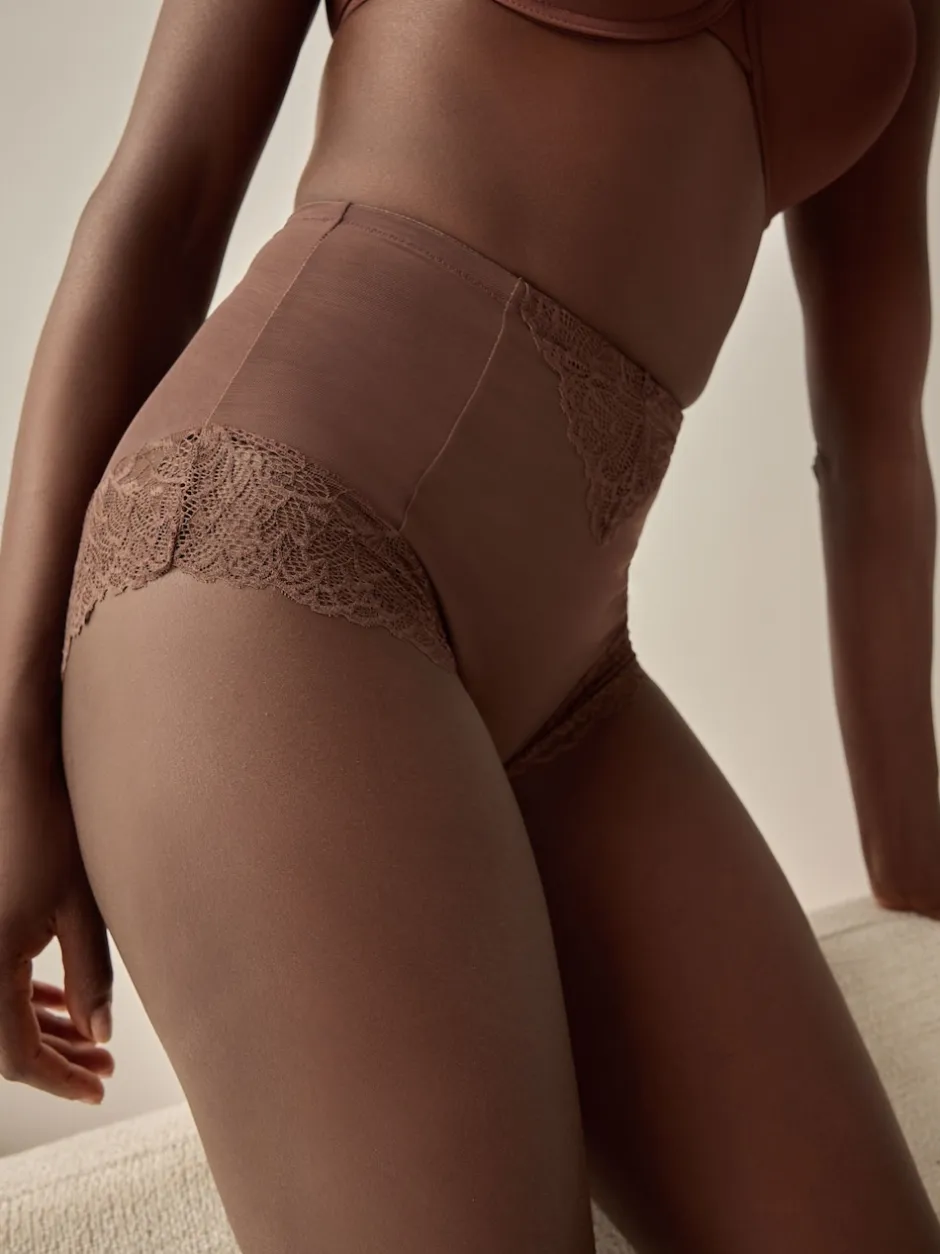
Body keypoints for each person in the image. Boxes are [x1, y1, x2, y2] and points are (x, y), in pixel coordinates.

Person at [1, 0, 939, 1249]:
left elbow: (873, 434)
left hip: (570, 690)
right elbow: (158, 205)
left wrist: (914, 855)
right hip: (260, 569)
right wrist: (10, 753)